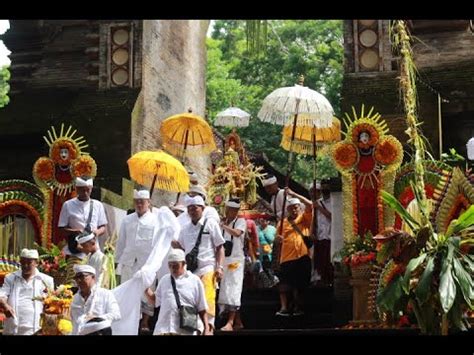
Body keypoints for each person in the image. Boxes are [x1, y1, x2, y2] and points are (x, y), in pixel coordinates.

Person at [172, 194, 225, 334]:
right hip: (191, 271)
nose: (192, 211)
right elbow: (183, 250)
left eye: (195, 208)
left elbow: (220, 247)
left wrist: (219, 267)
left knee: (207, 298)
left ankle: (208, 329)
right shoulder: (184, 229)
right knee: (191, 301)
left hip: (208, 268)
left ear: (202, 208)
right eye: (189, 208)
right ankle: (195, 329)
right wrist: (174, 244)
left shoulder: (211, 224)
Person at [115, 189, 164, 332]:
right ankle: (127, 319)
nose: (139, 204)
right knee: (127, 290)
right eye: (137, 202)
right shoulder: (127, 219)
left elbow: (157, 244)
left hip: (146, 263)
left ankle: (145, 321)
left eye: (142, 202)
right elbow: (121, 241)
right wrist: (117, 260)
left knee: (146, 291)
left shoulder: (156, 221)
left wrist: (155, 263)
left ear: (149, 203)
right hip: (129, 261)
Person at [145, 248, 210, 335]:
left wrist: (206, 328)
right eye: (170, 265)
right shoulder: (164, 280)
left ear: (183, 264)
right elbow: (155, 301)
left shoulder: (194, 281)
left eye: (175, 266)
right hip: (164, 329)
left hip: (184, 331)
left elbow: (202, 307)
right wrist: (145, 288)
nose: (172, 269)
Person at [58, 176, 108, 283]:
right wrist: (75, 231)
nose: (85, 192)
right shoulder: (68, 205)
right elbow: (61, 228)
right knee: (74, 283)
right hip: (75, 251)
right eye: (82, 190)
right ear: (76, 189)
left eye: (88, 190)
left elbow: (103, 227)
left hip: (93, 252)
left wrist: (97, 232)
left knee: (94, 282)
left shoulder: (98, 205)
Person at [275, 188, 313, 317]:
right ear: (287, 210)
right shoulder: (282, 223)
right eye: (291, 208)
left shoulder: (304, 219)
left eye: (296, 207)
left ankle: (297, 307)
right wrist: (278, 239)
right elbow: (277, 238)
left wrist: (294, 193)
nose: (294, 210)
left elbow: (310, 204)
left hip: (302, 256)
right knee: (285, 285)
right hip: (287, 257)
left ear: (299, 208)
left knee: (300, 284)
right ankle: (284, 307)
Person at [0, 249, 54, 335]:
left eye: (29, 263)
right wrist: (5, 306)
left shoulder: (47, 280)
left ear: (37, 263)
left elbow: (52, 304)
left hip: (37, 329)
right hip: (13, 328)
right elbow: (2, 295)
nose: (25, 265)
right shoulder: (11, 277)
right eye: (23, 262)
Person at [217, 198, 247, 331]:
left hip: (236, 261)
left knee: (234, 290)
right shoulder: (223, 222)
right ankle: (238, 322)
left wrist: (223, 226)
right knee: (225, 291)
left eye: (235, 210)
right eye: (230, 210)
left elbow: (237, 233)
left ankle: (230, 322)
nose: (232, 212)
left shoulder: (240, 222)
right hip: (224, 260)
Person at [70, 264, 121, 335]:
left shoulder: (105, 294)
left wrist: (96, 319)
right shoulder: (74, 298)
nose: (79, 280)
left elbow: (116, 314)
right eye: (76, 278)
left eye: (82, 277)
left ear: (93, 277)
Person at [313, 181, 333, 286]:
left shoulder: (333, 202)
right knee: (320, 261)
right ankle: (322, 280)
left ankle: (330, 280)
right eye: (323, 187)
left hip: (329, 236)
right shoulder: (318, 201)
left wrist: (319, 208)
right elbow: (315, 221)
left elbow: (332, 217)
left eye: (327, 187)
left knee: (329, 261)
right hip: (320, 236)